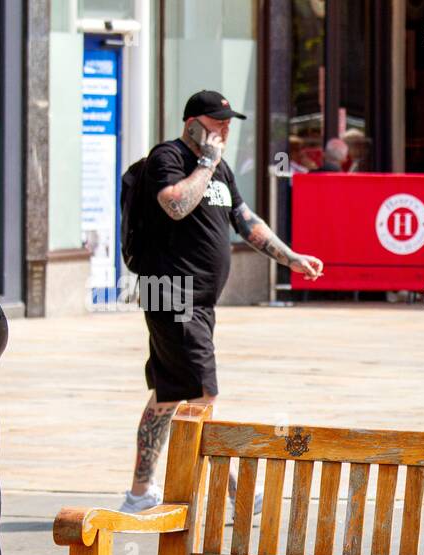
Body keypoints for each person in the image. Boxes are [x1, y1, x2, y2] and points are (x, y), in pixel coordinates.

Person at [120, 90, 325, 513]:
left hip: (198, 299)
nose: (224, 131)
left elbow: (245, 220)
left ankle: (140, 494)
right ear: (192, 122)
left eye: (228, 124)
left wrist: (292, 258)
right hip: (169, 289)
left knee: (167, 394)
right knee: (203, 393)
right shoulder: (169, 158)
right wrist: (206, 163)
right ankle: (230, 495)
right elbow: (174, 205)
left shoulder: (219, 170)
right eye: (216, 123)